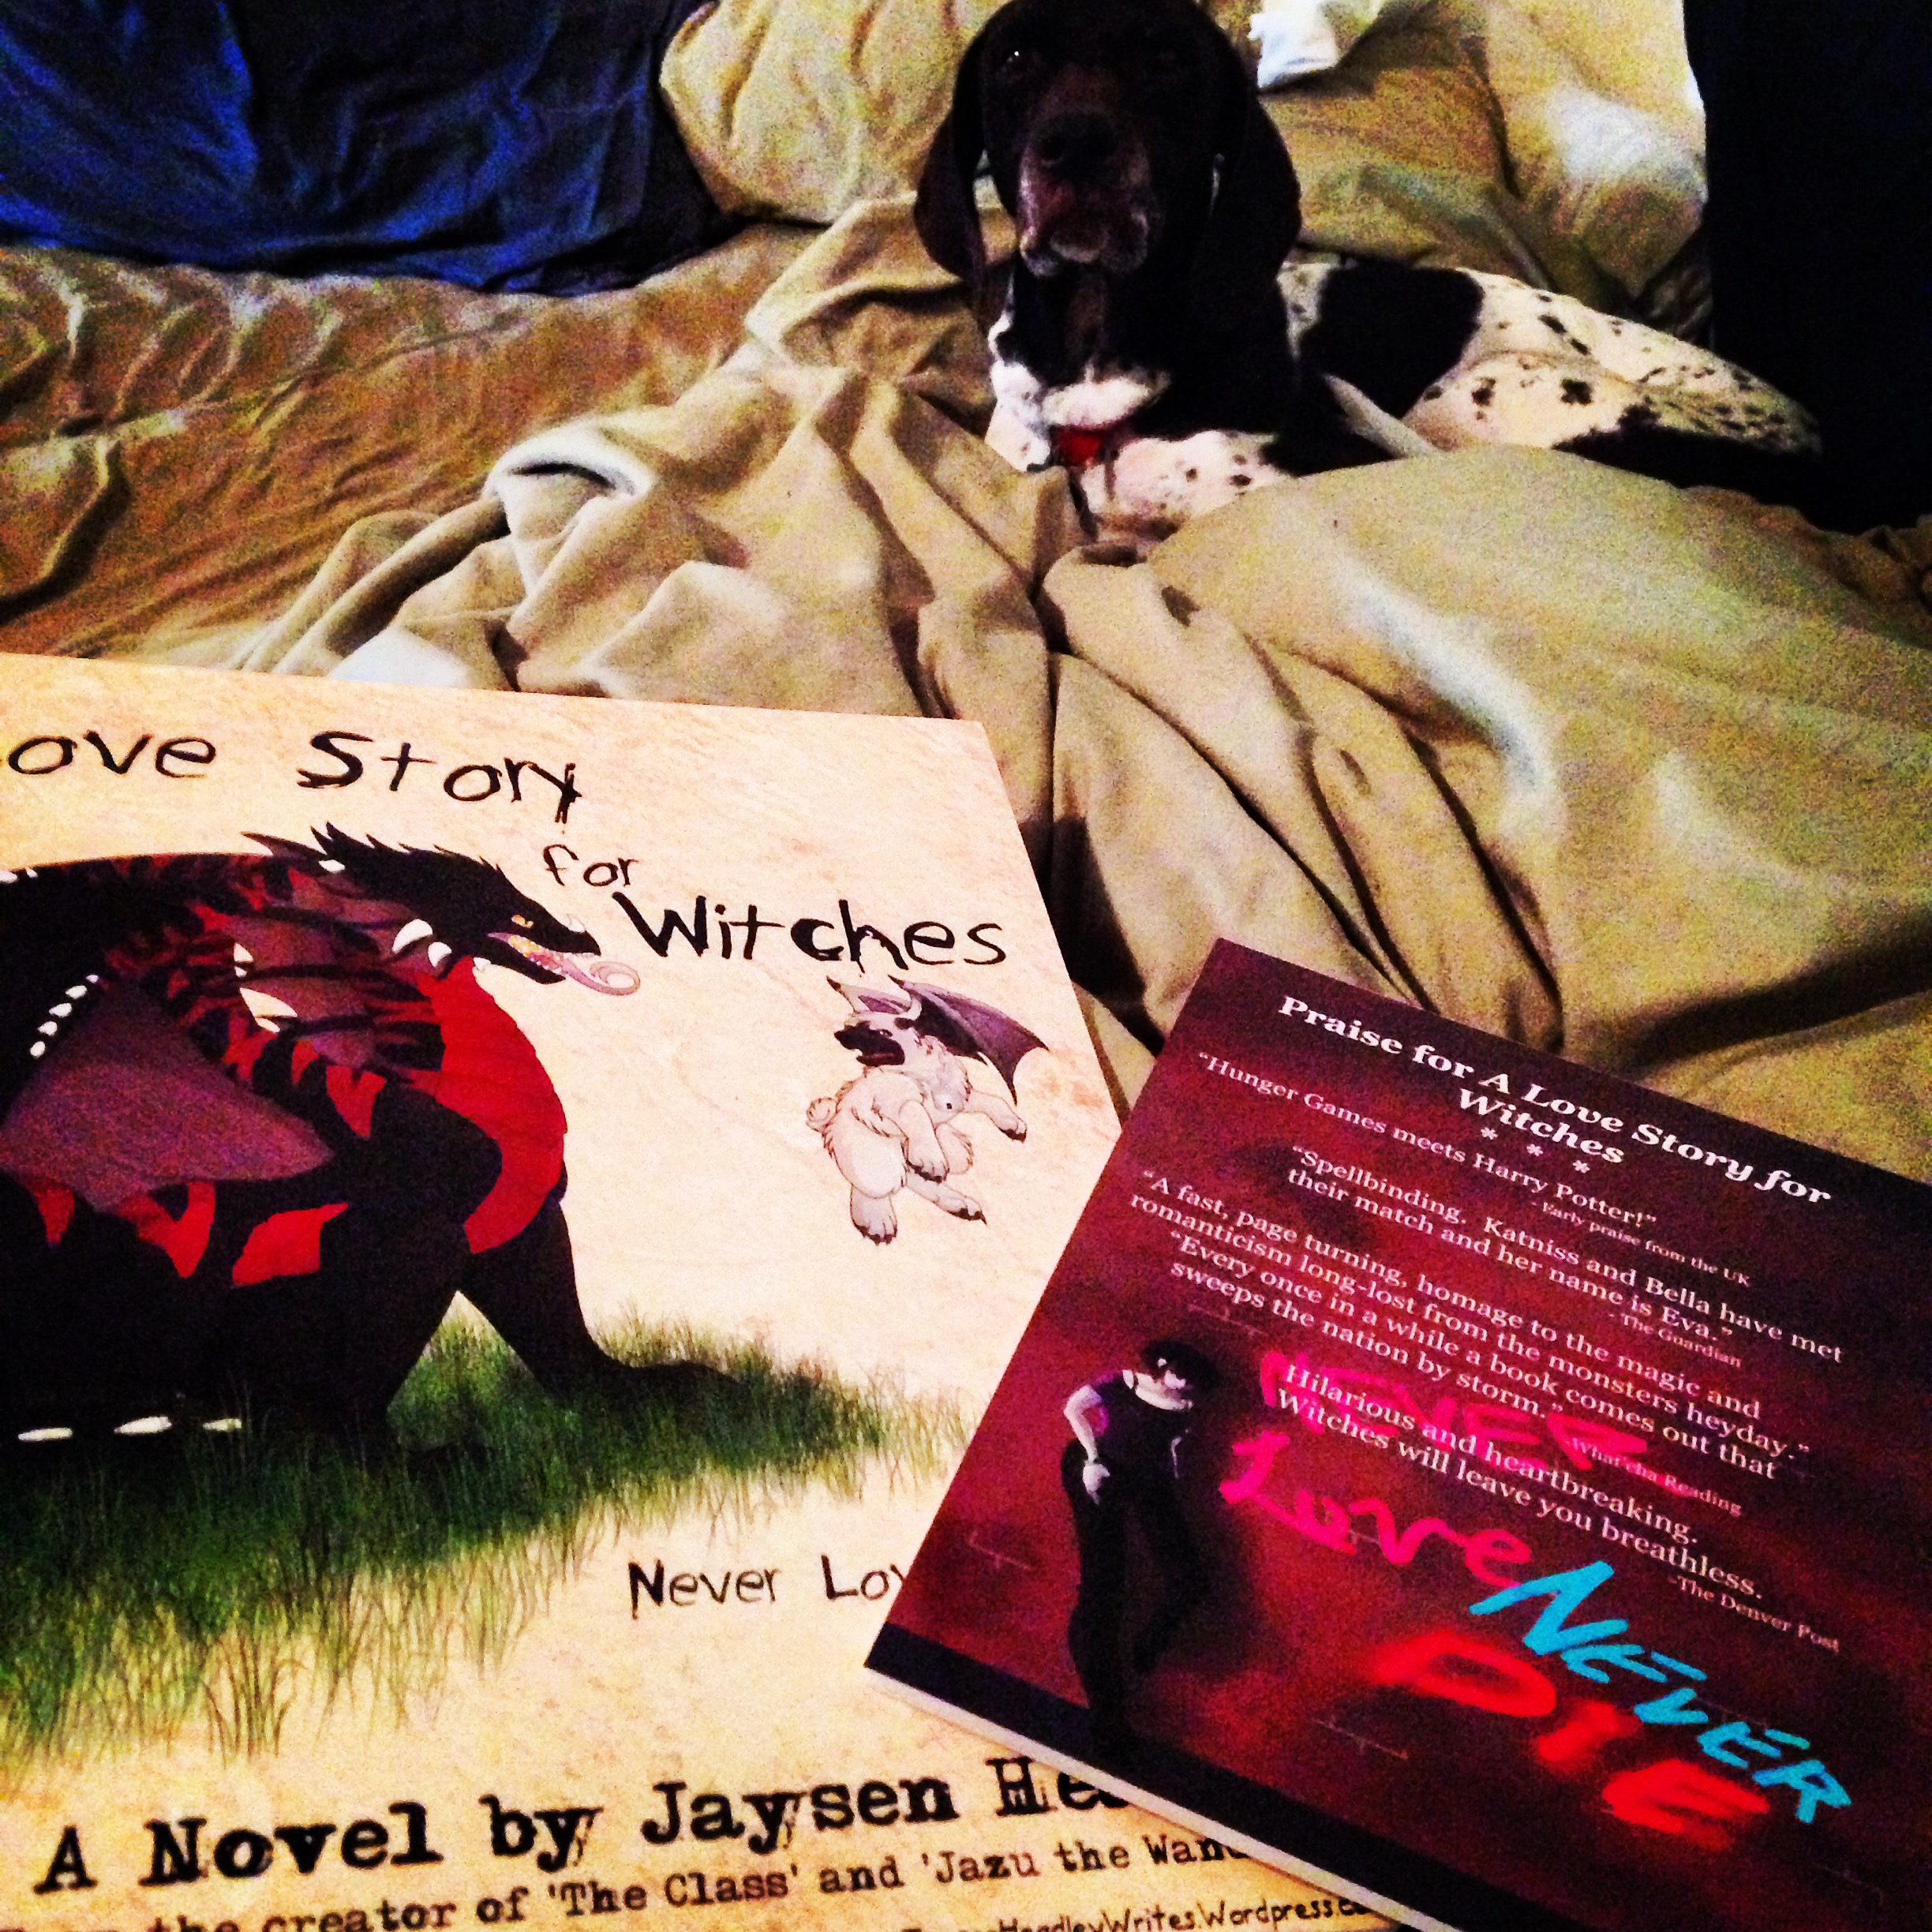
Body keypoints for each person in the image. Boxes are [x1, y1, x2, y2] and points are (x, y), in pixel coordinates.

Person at [1061, 1338, 1222, 1758]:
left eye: (1190, 1381)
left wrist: (1172, 1472)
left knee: (1189, 1580)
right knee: (1103, 1592)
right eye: (1179, 1375)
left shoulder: (1185, 1409)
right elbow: (1074, 1407)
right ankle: (1108, 1715)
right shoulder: (1125, 1382)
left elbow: (1169, 1452)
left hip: (1148, 1480)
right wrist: (1092, 1459)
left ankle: (1145, 1646)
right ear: (1163, 1365)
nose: (1182, 1385)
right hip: (1099, 1473)